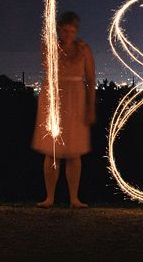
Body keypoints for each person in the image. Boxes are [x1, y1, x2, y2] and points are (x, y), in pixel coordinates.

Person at [32, 11, 96, 208]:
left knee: (74, 151)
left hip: (75, 98)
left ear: (76, 31)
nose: (68, 34)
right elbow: (46, 62)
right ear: (60, 30)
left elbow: (91, 79)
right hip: (54, 98)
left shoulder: (84, 49)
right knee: (52, 150)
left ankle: (74, 198)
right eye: (65, 30)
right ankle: (49, 197)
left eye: (72, 30)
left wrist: (90, 107)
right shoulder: (50, 47)